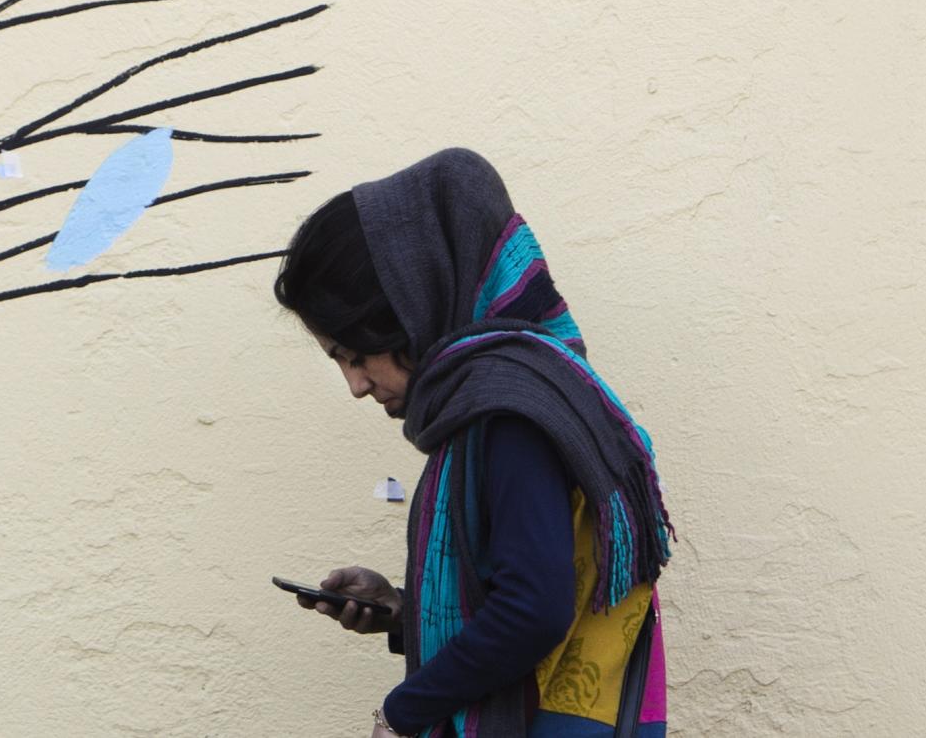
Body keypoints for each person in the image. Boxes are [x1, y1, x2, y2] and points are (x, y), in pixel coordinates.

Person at [273, 148, 672, 737]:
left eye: (356, 354)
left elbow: (534, 611)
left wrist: (402, 710)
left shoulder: (509, 411)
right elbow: (543, 592)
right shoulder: (518, 395)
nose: (357, 385)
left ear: (410, 309)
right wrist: (404, 613)